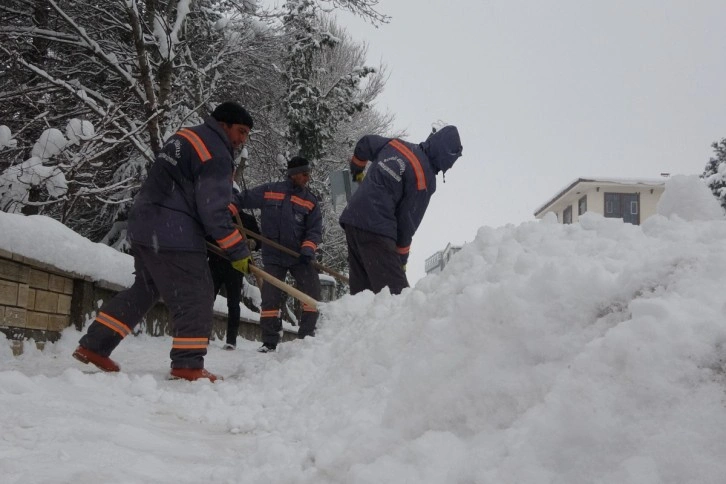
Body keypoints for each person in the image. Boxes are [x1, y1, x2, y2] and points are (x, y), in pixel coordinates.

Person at [72, 102, 255, 382]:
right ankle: (188, 364)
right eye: (240, 131)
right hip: (174, 233)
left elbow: (188, 188)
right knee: (197, 291)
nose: (242, 140)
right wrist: (238, 251)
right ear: (224, 124)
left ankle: (94, 346)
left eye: (246, 135)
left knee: (144, 290)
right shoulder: (217, 152)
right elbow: (211, 210)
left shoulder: (185, 137)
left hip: (145, 225)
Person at [339, 126, 463, 295]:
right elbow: (407, 223)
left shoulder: (397, 145)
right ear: (447, 158)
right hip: (377, 230)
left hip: (352, 220)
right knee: (398, 300)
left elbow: (365, 143)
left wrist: (357, 170)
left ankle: (357, 320)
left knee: (363, 297)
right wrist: (401, 261)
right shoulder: (423, 178)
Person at [234, 156, 322, 352]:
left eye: (309, 174)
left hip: (300, 257)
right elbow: (243, 199)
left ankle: (306, 337)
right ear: (293, 174)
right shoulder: (270, 191)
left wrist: (308, 248)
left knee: (311, 294)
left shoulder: (310, 201)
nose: (308, 178)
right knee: (270, 299)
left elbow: (314, 230)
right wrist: (228, 203)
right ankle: (269, 341)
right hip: (273, 256)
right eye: (304, 174)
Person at [208, 198, 260, 351]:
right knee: (207, 299)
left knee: (233, 303)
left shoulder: (247, 220)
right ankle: (203, 334)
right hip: (214, 263)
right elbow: (206, 237)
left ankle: (231, 340)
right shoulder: (216, 217)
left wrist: (253, 243)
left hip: (236, 266)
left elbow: (259, 239)